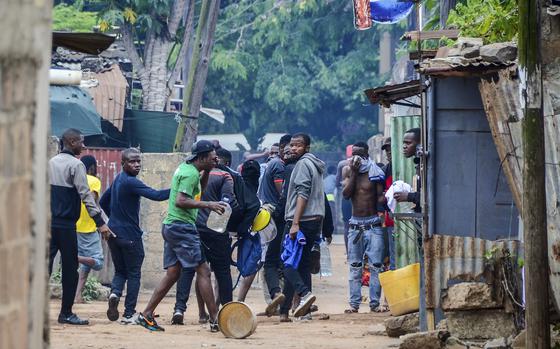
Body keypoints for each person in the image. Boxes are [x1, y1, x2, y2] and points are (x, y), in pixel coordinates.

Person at [137, 140, 226, 332]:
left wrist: (208, 171)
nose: (215, 159)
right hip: (182, 227)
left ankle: (146, 314)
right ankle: (214, 319)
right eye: (211, 158)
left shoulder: (190, 170)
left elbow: (198, 192)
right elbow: (181, 201)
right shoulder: (189, 174)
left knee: (173, 273)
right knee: (204, 271)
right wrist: (209, 205)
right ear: (202, 157)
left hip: (172, 226)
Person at [49, 128, 113, 325]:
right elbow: (86, 197)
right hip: (67, 226)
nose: (84, 147)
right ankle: (66, 313)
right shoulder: (76, 165)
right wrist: (101, 224)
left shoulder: (50, 163)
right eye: (81, 142)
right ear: (71, 142)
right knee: (70, 270)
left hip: (48, 224)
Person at [100, 148, 170, 324]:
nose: (137, 164)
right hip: (130, 235)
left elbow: (102, 202)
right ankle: (129, 313)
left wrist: (114, 220)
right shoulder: (130, 181)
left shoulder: (118, 179)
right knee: (133, 274)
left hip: (114, 233)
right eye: (132, 161)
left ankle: (115, 293)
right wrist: (179, 187)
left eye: (138, 161)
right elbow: (157, 195)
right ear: (123, 163)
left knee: (121, 271)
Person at [172, 148, 238, 325]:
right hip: (216, 232)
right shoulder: (226, 177)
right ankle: (227, 312)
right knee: (222, 273)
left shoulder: (195, 174)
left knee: (192, 270)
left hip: (194, 230)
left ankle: (184, 310)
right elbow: (227, 204)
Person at [279, 133, 325, 321]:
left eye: (298, 145)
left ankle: (305, 295)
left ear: (307, 148)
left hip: (302, 221)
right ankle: (287, 312)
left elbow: (302, 194)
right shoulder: (314, 164)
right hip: (313, 220)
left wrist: (295, 223)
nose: (293, 148)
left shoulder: (303, 165)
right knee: (302, 265)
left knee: (287, 263)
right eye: (292, 145)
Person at [342, 141, 386, 313]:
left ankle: (374, 304)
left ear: (366, 155)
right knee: (355, 266)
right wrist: (353, 173)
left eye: (360, 154)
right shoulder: (348, 171)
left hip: (373, 223)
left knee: (376, 265)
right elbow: (346, 194)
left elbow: (380, 198)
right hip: (355, 225)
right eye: (354, 154)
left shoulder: (375, 172)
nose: (356, 158)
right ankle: (354, 304)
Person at [259, 134, 292, 317]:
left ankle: (276, 298)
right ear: (281, 149)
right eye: (288, 149)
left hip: (269, 215)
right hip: (275, 216)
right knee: (274, 260)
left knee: (272, 259)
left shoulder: (273, 164)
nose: (290, 152)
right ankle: (278, 298)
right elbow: (283, 195)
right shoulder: (279, 166)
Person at [74, 155, 105, 304]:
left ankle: (77, 296)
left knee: (85, 267)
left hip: (73, 226)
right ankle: (74, 258)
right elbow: (91, 201)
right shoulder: (94, 181)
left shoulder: (74, 179)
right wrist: (102, 223)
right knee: (98, 262)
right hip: (88, 227)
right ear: (92, 167)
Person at [393, 128, 421, 212]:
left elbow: (433, 196)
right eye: (404, 143)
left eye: (408, 143)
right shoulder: (420, 164)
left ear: (420, 145)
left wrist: (409, 196)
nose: (404, 146)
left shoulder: (428, 166)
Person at [381, 137, 396, 270]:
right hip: (391, 219)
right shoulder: (385, 170)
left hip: (408, 217)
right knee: (393, 254)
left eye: (390, 149)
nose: (388, 153)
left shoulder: (404, 168)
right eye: (386, 150)